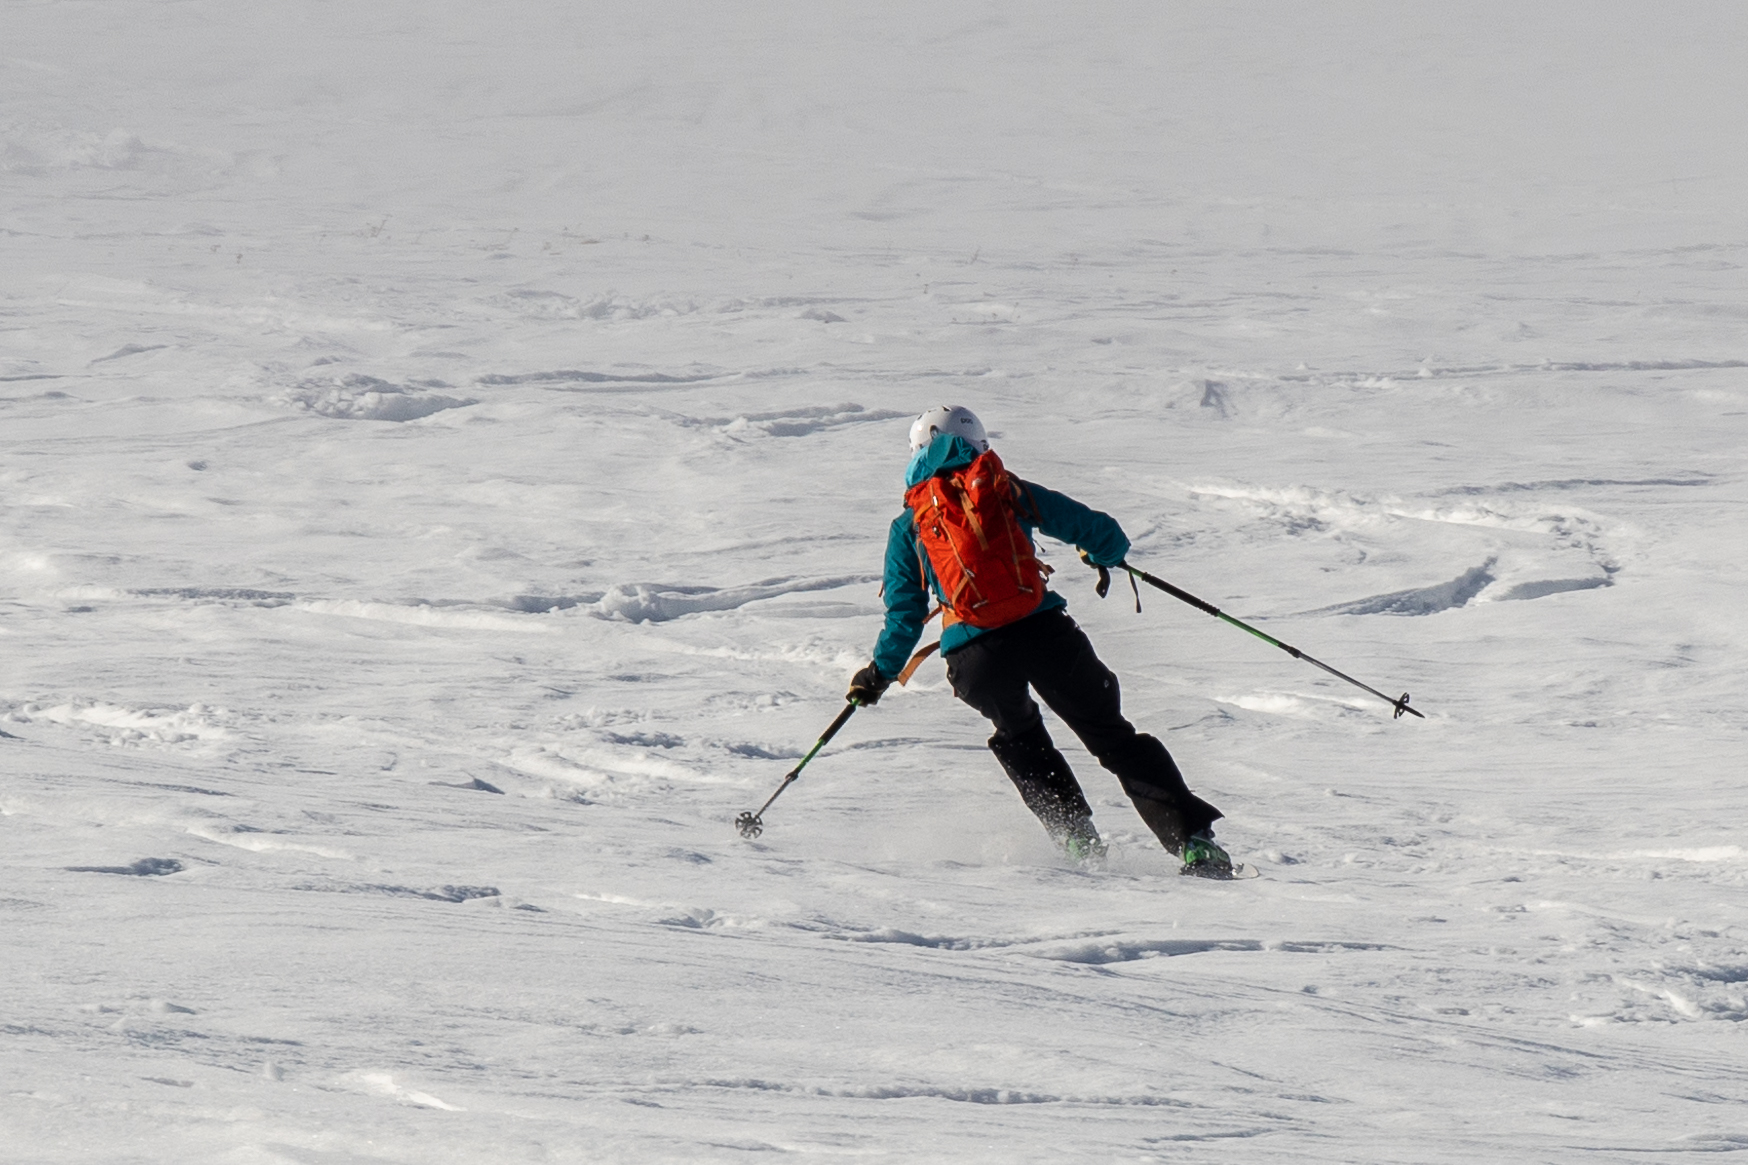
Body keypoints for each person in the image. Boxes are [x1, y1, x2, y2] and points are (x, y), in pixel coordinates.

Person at [846, 406, 1233, 875]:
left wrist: (878, 675)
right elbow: (1100, 532)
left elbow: (904, 617)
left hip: (974, 656)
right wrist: (1102, 554)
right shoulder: (1004, 490)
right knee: (1111, 735)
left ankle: (1077, 840)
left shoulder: (910, 524)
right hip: (1045, 633)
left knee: (1020, 736)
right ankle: (1193, 843)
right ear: (978, 445)